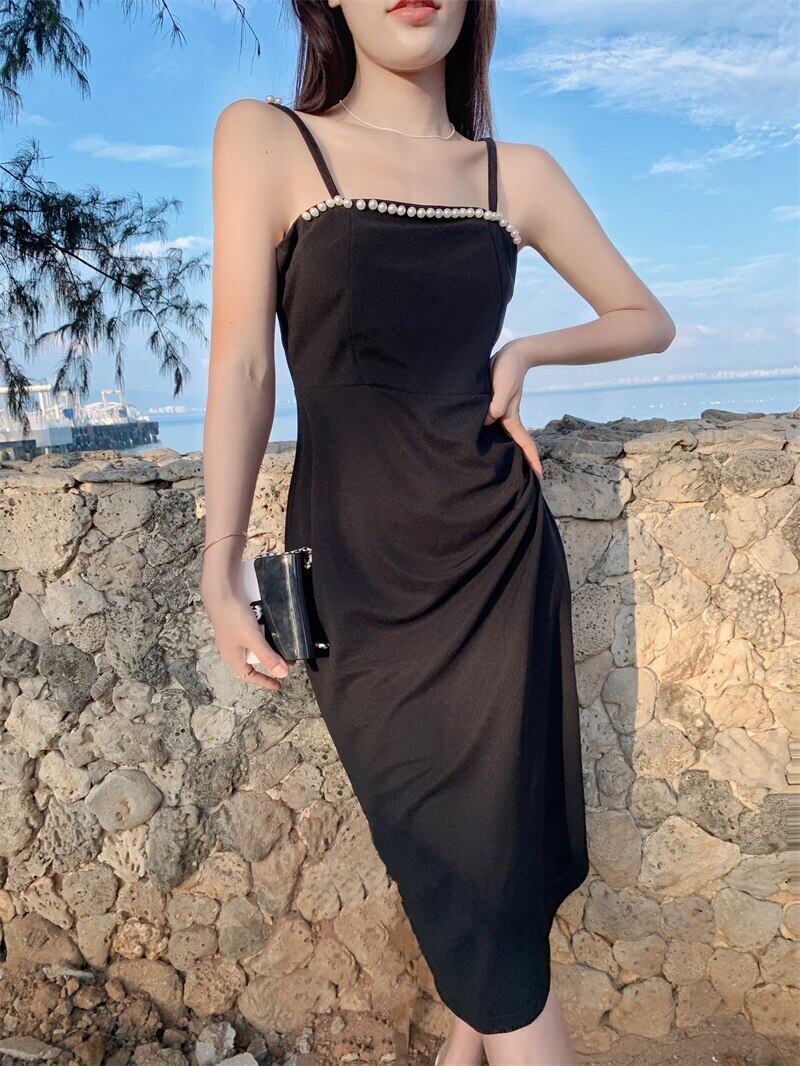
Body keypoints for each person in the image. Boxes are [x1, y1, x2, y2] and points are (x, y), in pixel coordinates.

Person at [200, 1, 675, 1063]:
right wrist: (217, 556)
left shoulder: (517, 175)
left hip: (498, 567)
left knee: (491, 876)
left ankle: (474, 1042)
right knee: (456, 863)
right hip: (361, 589)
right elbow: (244, 362)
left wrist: (523, 355)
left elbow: (645, 318)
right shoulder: (268, 139)